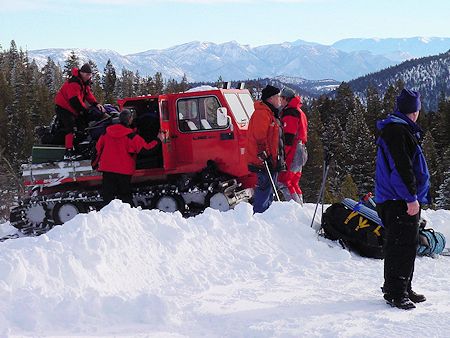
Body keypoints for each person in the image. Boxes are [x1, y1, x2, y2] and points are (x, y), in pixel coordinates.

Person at [375, 88, 431, 310]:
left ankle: (402, 287)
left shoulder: (399, 129)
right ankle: (396, 293)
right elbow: (401, 169)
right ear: (414, 110)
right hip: (398, 199)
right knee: (401, 245)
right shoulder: (398, 132)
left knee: (404, 244)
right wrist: (410, 198)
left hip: (395, 198)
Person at [95, 109, 160, 205]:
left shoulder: (106, 133)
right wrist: (158, 140)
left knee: (108, 198)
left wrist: (95, 163)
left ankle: (107, 217)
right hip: (123, 171)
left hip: (107, 169)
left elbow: (98, 148)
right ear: (129, 120)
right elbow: (146, 149)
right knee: (125, 197)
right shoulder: (131, 136)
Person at [246, 84, 285, 213]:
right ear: (270, 98)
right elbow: (259, 137)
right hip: (263, 160)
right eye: (278, 97)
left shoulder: (270, 113)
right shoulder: (262, 114)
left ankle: (267, 214)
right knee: (265, 188)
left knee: (270, 189)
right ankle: (260, 214)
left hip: (271, 159)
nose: (280, 99)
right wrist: (265, 155)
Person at [55, 63, 106, 158]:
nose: (89, 77)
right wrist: (84, 110)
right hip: (63, 108)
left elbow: (88, 95)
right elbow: (75, 100)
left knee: (82, 127)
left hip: (72, 108)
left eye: (90, 75)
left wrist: (95, 103)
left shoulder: (83, 83)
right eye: (87, 75)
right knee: (70, 127)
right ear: (81, 73)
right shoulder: (74, 83)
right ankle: (68, 151)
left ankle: (80, 147)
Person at [277, 87, 308, 205]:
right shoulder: (299, 111)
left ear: (286, 99)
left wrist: (282, 154)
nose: (280, 101)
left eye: (282, 98)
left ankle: (295, 207)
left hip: (294, 151)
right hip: (301, 150)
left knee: (284, 181)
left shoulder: (290, 113)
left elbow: (288, 137)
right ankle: (300, 205)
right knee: (294, 181)